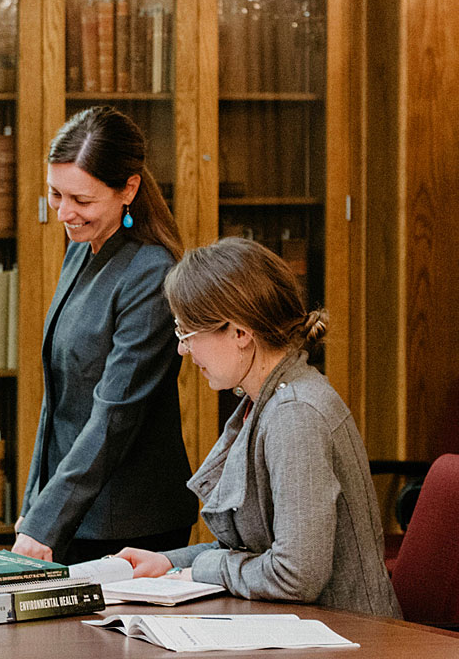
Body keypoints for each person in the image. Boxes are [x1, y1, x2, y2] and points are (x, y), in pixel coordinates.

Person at [117, 238, 401, 617]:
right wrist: (169, 562)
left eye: (187, 334)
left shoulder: (295, 414)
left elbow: (294, 575)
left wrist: (198, 570)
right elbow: (257, 551)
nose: (183, 351)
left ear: (240, 334)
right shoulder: (267, 400)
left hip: (349, 637)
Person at [14, 106, 198, 565]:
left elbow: (114, 417)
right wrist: (34, 505)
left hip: (130, 524)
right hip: (71, 511)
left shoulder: (151, 273)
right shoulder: (83, 251)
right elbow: (58, 400)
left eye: (81, 200)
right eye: (56, 195)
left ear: (128, 189)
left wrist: (46, 519)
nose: (64, 213)